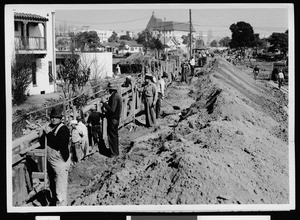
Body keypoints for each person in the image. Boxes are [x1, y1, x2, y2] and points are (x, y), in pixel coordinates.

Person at [38, 106, 70, 206]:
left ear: (60, 118)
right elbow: (43, 143)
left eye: (56, 117)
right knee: (52, 181)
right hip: (50, 160)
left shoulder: (63, 129)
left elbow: (58, 144)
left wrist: (49, 133)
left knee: (60, 183)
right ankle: (53, 199)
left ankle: (62, 204)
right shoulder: (49, 127)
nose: (53, 119)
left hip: (60, 161)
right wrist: (42, 135)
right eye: (52, 117)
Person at [100, 83, 122, 157]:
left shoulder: (114, 96)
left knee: (112, 136)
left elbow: (112, 110)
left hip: (113, 120)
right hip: (115, 119)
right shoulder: (117, 95)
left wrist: (104, 103)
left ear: (111, 89)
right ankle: (115, 152)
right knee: (114, 136)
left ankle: (113, 153)